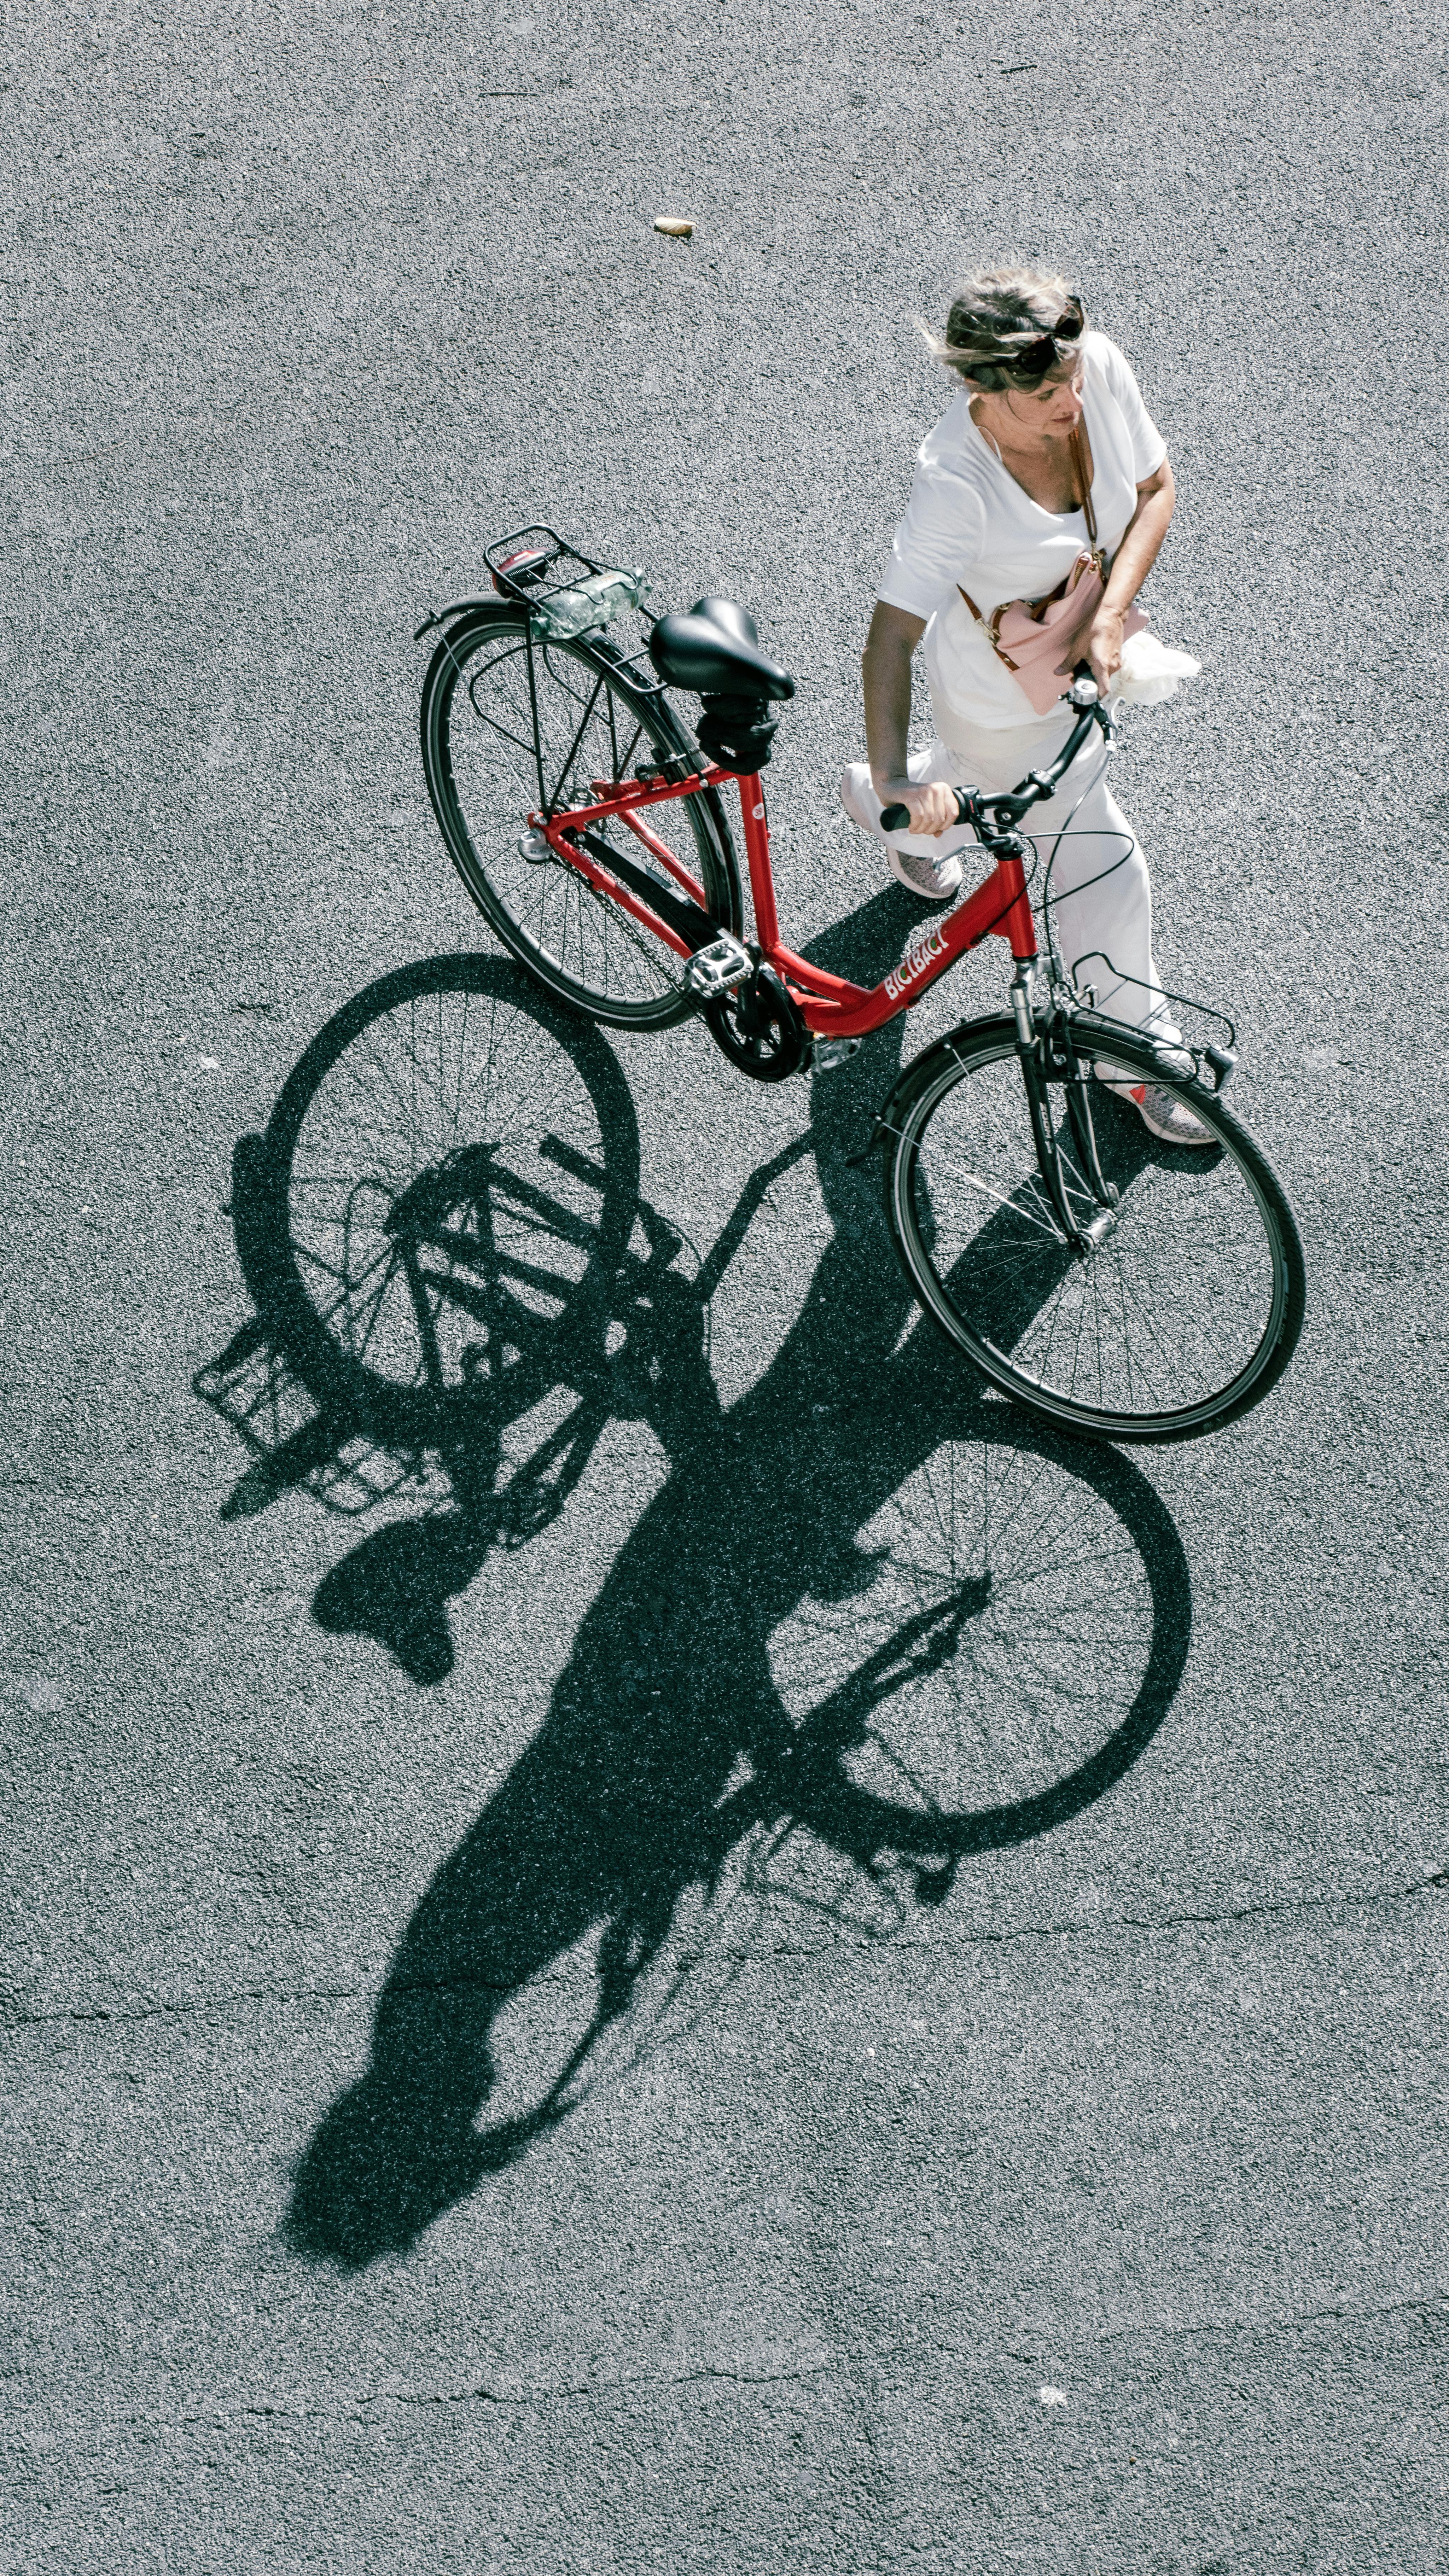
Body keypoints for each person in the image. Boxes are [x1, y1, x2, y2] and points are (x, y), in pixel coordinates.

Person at [843, 263, 1210, 1144]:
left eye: (1073, 375)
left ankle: (891, 811)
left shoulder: (1097, 368)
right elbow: (888, 638)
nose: (1072, 400)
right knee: (1100, 863)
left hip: (1077, 653)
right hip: (1001, 704)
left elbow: (1157, 490)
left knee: (971, 797)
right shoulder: (953, 489)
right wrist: (898, 771)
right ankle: (1137, 1057)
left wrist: (1112, 613)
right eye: (1046, 389)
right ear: (980, 385)